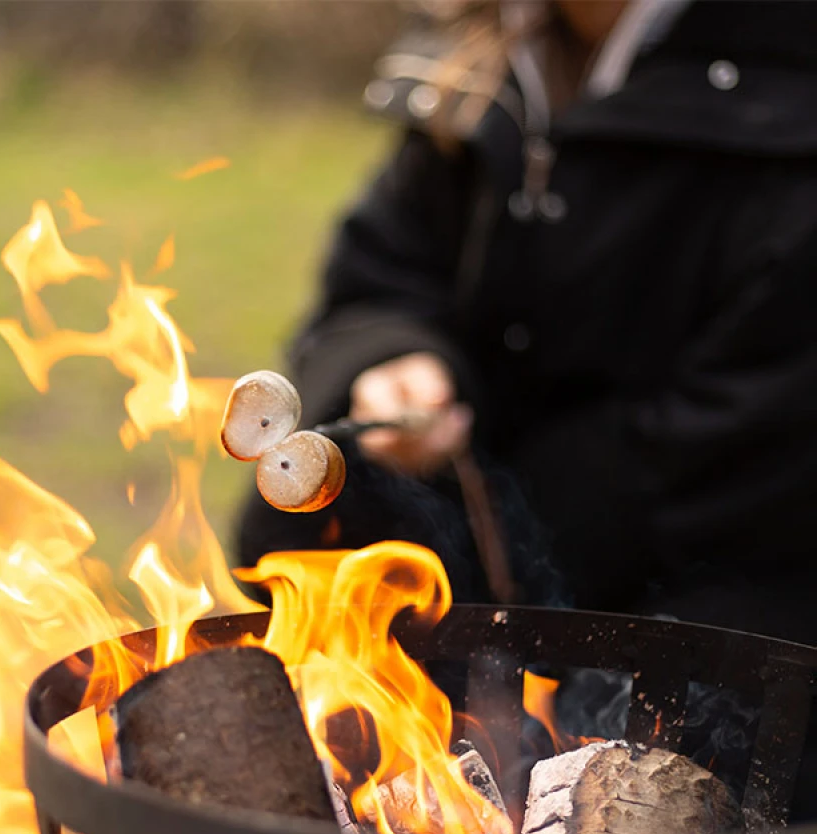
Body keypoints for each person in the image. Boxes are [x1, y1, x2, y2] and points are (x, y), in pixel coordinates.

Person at [237, 0, 817, 654]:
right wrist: (395, 357)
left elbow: (751, 437)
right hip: (489, 564)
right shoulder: (479, 49)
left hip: (712, 614)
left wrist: (486, 540)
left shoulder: (788, 64)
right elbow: (385, 271)